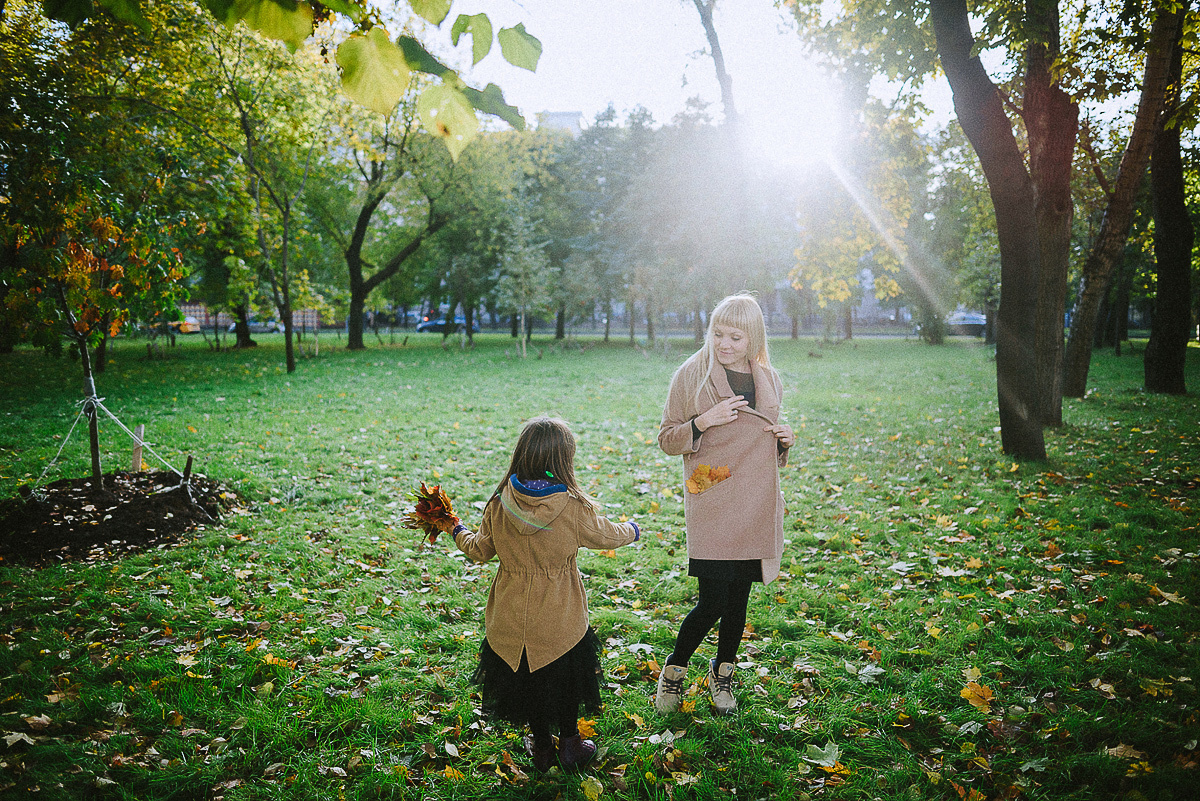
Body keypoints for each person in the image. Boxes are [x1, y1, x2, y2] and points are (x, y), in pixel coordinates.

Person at [453, 416, 641, 771]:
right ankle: (569, 744)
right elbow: (607, 536)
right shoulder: (571, 508)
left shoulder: (499, 503)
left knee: (527, 682)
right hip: (560, 618)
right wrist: (633, 529)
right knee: (566, 680)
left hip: (510, 620)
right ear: (562, 461)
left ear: (520, 455)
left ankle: (541, 747)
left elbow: (479, 549)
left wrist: (456, 529)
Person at [654, 293, 794, 715]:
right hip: (713, 498)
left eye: (735, 336)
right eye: (718, 334)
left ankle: (723, 675)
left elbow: (764, 444)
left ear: (753, 338)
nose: (724, 344)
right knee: (712, 600)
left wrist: (785, 443)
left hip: (755, 502)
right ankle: (673, 673)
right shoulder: (691, 375)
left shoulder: (769, 378)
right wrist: (703, 422)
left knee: (739, 602)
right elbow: (666, 438)